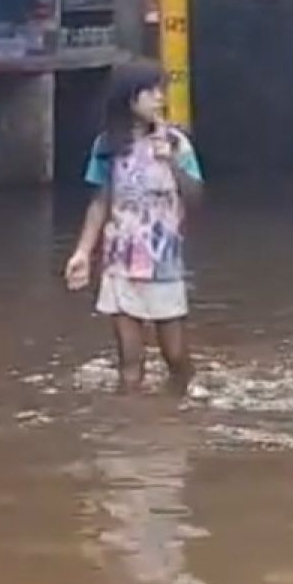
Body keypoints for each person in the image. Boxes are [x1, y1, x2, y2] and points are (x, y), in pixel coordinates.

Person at [65, 61, 204, 394]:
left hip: (164, 263)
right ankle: (129, 433)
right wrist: (83, 251)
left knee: (175, 356)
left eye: (161, 91)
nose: (160, 98)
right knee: (130, 362)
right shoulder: (107, 146)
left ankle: (184, 404)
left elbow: (196, 197)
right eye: (151, 92)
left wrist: (170, 161)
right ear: (129, 98)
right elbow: (100, 202)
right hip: (121, 262)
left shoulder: (177, 143)